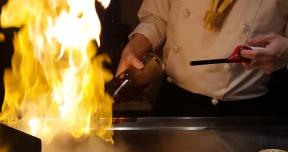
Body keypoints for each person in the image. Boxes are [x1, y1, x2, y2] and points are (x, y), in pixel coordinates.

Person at [116, 0, 288, 116]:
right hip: (173, 100)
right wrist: (131, 49)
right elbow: (157, 17)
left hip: (241, 112)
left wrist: (284, 51)